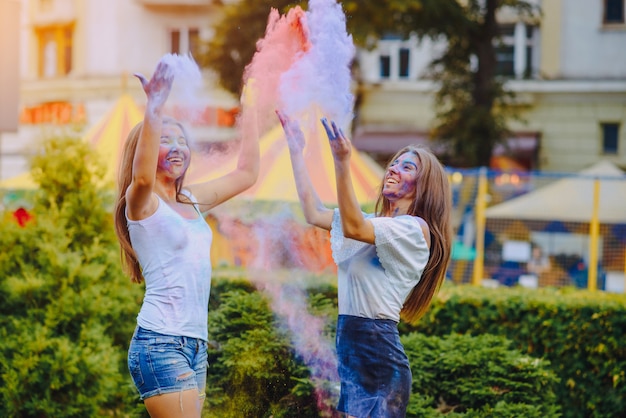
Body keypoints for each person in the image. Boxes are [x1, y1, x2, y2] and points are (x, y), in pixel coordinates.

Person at [277, 111, 452, 418]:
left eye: (407, 167)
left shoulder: (413, 229)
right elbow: (313, 211)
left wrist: (342, 162)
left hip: (377, 353)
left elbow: (354, 226)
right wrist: (295, 150)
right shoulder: (376, 226)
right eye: (394, 163)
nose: (393, 169)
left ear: (424, 185)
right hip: (353, 348)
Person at [113, 59, 259, 417]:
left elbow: (247, 173)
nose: (177, 147)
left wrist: (251, 106)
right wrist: (155, 108)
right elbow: (143, 178)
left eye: (182, 140)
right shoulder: (142, 204)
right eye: (165, 140)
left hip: (195, 344)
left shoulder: (191, 200)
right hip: (160, 341)